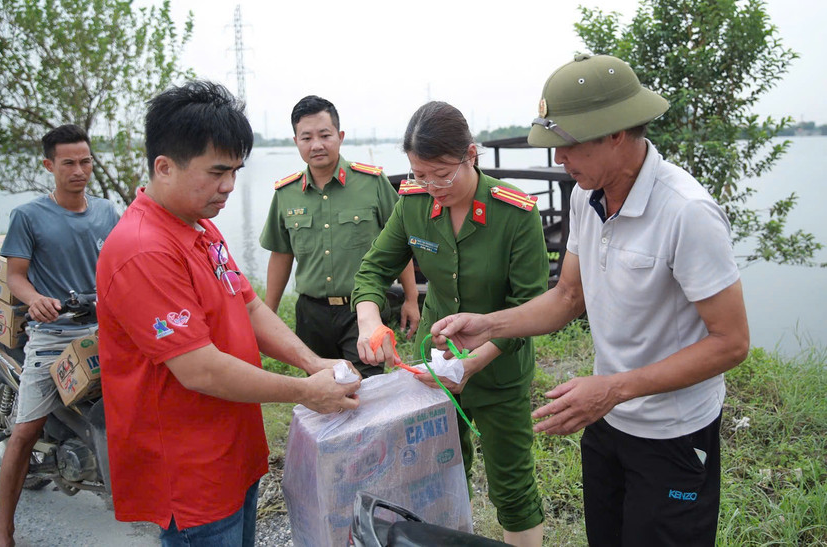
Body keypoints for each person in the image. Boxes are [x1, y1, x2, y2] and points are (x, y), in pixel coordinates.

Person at [431, 54, 750, 545]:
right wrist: (490, 324)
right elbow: (567, 296)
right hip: (606, 420)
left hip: (673, 433)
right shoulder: (587, 196)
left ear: (616, 133)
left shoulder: (687, 213)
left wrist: (613, 389)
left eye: (569, 145)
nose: (559, 160)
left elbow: (731, 343)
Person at [95, 81, 361, 546]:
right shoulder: (143, 250)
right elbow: (199, 370)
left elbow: (250, 305)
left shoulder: (200, 226)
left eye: (236, 171)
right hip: (191, 472)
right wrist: (306, 392)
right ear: (164, 167)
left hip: (234, 451)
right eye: (218, 171)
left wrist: (314, 363)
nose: (229, 187)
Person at [352, 101, 549, 547]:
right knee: (435, 472)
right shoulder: (414, 205)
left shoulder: (515, 214)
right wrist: (369, 323)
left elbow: (531, 308)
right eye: (420, 174)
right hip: (433, 371)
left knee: (512, 485)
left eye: (442, 173)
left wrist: (475, 363)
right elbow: (372, 271)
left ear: (471, 155)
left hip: (499, 371)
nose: (432, 186)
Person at [0, 124, 119, 547]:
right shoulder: (28, 216)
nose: (79, 170)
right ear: (49, 165)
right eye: (68, 162)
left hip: (103, 329)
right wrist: (35, 300)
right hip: (52, 335)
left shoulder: (107, 212)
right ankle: (4, 532)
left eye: (85, 161)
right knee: (24, 432)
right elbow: (15, 276)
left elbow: (122, 268)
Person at [259, 95, 420, 378]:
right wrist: (267, 316)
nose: (317, 145)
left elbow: (399, 244)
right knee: (322, 391)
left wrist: (411, 298)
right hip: (311, 314)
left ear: (340, 136)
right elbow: (281, 255)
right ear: (296, 141)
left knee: (366, 390)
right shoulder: (286, 194)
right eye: (306, 137)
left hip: (363, 310)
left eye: (325, 135)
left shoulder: (371, 183)